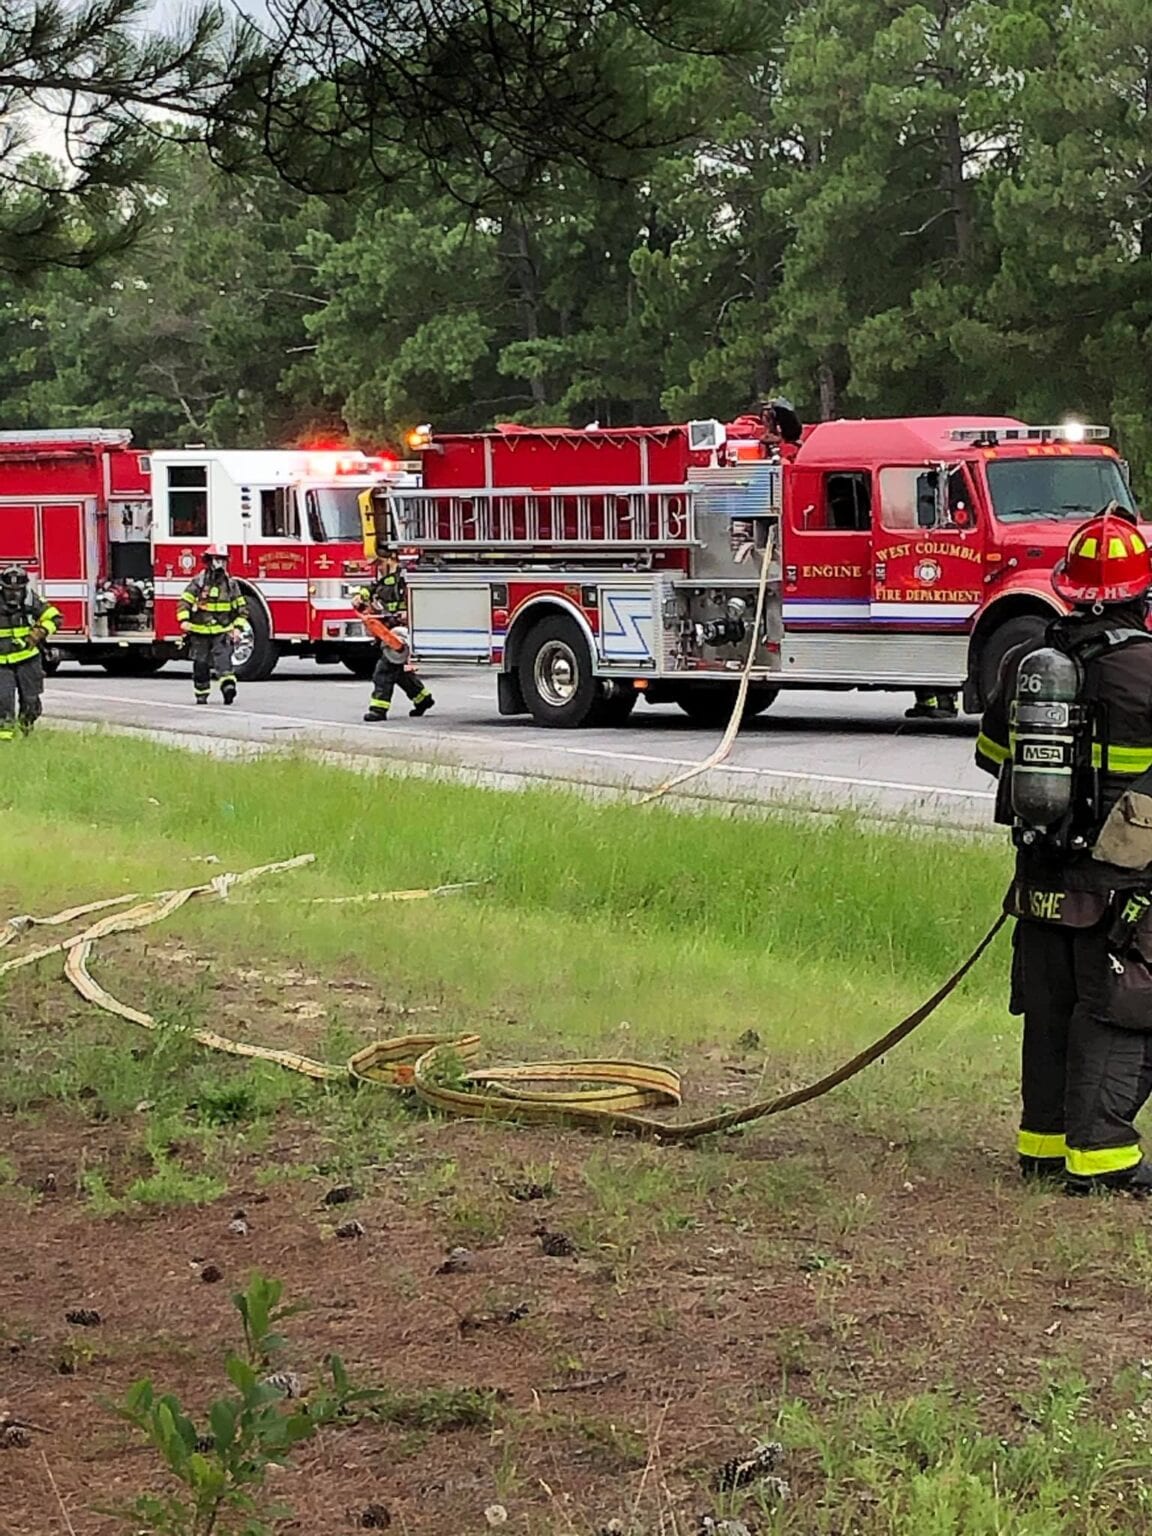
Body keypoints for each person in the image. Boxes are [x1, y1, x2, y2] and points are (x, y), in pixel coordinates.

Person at [975, 504, 1152, 1194]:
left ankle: (1043, 1147)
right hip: (1123, 889)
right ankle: (1102, 1158)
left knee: (1049, 1011)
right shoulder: (1146, 670)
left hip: (1042, 879)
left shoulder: (1029, 664)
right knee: (1119, 1006)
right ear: (1142, 593)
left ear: (1068, 589)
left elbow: (994, 756)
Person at [353, 549, 434, 723]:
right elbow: (371, 589)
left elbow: (418, 596)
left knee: (383, 672)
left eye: (378, 563)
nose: (376, 568)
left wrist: (409, 612)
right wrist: (360, 597)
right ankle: (423, 699)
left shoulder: (404, 576)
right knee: (398, 671)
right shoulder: (382, 578)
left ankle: (378, 710)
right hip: (390, 631)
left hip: (403, 631)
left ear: (390, 560)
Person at [176, 545, 249, 706]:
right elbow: (184, 602)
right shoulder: (198, 582)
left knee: (223, 662)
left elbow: (243, 610)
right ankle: (201, 694)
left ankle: (228, 689)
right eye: (217, 559)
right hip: (199, 631)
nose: (220, 564)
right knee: (200, 664)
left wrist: (237, 629)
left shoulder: (231, 585)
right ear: (209, 561)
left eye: (223, 560)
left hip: (222, 631)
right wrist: (184, 621)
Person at [0, 566, 60, 740]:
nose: (14, 594)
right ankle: (5, 741)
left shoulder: (31, 600)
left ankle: (27, 730)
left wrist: (40, 632)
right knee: (4, 701)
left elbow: (55, 618)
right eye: (9, 590)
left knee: (31, 701)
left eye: (18, 590)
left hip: (28, 659)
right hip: (1, 664)